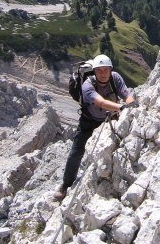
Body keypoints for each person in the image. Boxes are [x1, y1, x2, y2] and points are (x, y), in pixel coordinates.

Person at [53, 54, 135, 201]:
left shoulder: (115, 77)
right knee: (77, 151)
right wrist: (122, 107)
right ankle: (65, 185)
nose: (103, 73)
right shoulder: (87, 85)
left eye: (106, 70)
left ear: (110, 69)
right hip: (89, 121)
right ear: (94, 72)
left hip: (112, 118)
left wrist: (132, 104)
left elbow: (126, 93)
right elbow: (101, 102)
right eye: (99, 71)